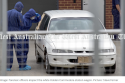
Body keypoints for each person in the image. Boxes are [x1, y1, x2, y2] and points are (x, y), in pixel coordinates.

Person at [7, 1, 31, 71]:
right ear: (20, 8)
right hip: (16, 34)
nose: (22, 10)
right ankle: (22, 66)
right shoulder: (18, 14)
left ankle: (7, 67)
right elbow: (22, 24)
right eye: (22, 9)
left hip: (7, 34)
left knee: (8, 50)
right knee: (19, 50)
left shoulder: (7, 12)